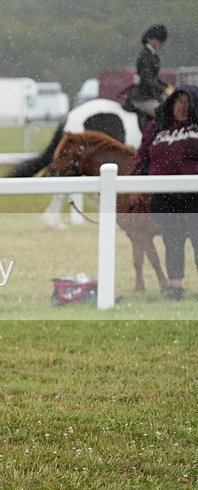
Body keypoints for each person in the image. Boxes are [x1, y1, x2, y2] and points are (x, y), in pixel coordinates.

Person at [133, 84, 198, 301]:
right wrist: (135, 184)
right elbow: (143, 157)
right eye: (179, 101)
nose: (182, 106)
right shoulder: (156, 127)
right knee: (172, 239)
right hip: (164, 195)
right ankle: (175, 286)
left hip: (194, 194)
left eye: (187, 102)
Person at [128, 24, 174, 131]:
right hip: (142, 98)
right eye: (157, 40)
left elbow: (155, 77)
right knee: (164, 114)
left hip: (149, 94)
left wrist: (169, 88)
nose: (159, 44)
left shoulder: (151, 54)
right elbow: (148, 80)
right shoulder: (145, 55)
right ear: (149, 38)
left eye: (160, 41)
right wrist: (164, 90)